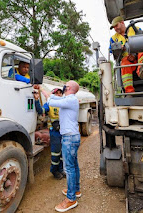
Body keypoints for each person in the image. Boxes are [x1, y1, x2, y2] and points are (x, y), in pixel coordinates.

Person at [47, 81, 81, 212]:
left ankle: (71, 199)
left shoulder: (71, 99)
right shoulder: (68, 99)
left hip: (69, 138)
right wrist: (46, 92)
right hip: (72, 137)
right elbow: (56, 98)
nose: (64, 86)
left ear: (69, 88)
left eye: (66, 84)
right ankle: (76, 190)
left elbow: (52, 102)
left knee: (69, 168)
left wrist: (48, 95)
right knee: (74, 165)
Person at [109, 16, 143, 93]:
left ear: (122, 23)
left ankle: (142, 70)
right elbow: (111, 50)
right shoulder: (114, 38)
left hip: (139, 57)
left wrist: (135, 54)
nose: (115, 28)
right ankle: (129, 92)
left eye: (116, 26)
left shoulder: (136, 29)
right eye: (113, 27)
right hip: (128, 61)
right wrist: (119, 48)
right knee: (124, 62)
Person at [33, 87, 65, 180]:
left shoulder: (63, 104)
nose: (58, 94)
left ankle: (61, 169)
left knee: (63, 152)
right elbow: (41, 111)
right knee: (56, 153)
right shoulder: (49, 104)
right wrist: (36, 100)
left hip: (63, 131)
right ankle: (54, 171)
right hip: (55, 132)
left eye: (60, 93)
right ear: (53, 95)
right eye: (56, 93)